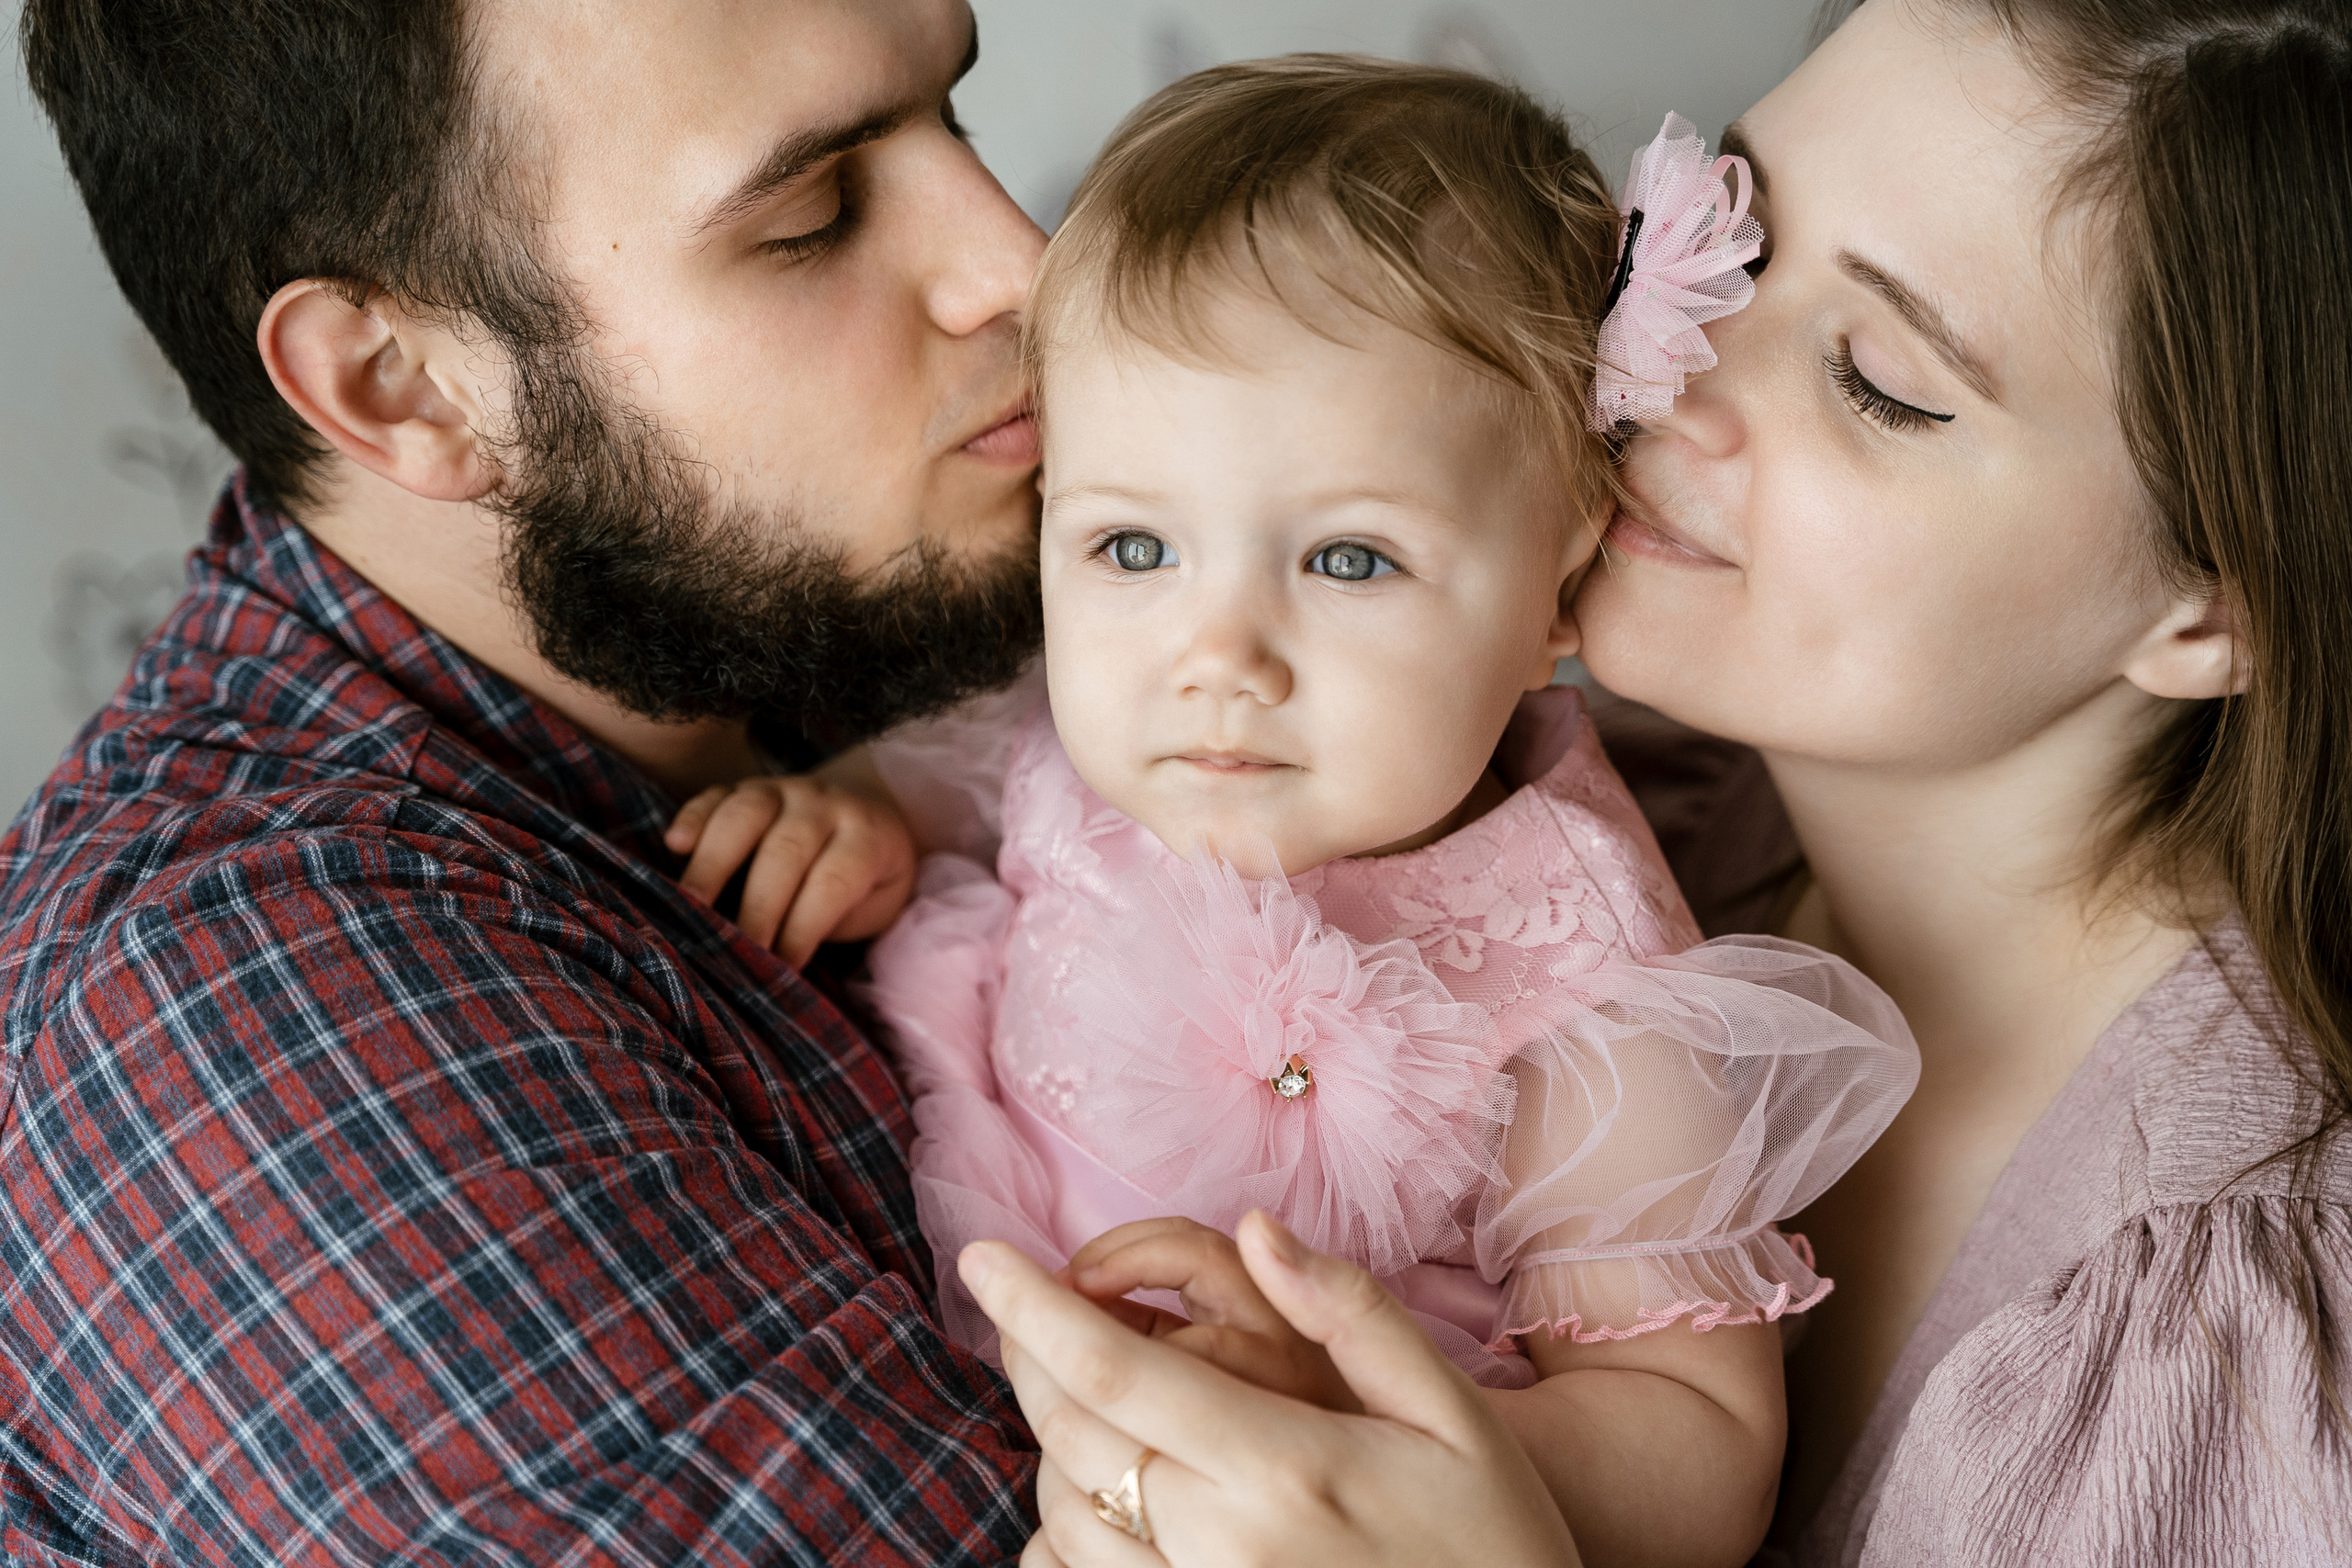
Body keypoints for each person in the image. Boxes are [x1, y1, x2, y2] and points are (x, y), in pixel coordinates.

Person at [961, 1, 2352, 1563]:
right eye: (1721, 247)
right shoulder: (1520, 779)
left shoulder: (2238, 1359)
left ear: (2213, 602)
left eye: (1881, 382)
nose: (1659, 372)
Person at [670, 62, 1917, 1568]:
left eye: (1346, 563)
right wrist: (852, 817)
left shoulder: (1593, 1001)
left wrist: (1347, 1410)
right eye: (1133, 544)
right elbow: (944, 781)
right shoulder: (1076, 732)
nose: (1218, 659)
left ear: (1557, 585)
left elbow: (1696, 1454)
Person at [2, 2, 1055, 1562]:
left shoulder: (827, 636)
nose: (1023, 266)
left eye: (950, 123)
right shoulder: (249, 1008)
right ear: (401, 385)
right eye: (812, 216)